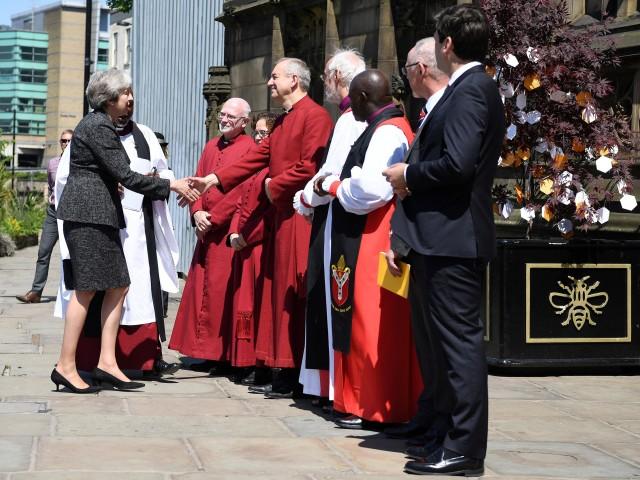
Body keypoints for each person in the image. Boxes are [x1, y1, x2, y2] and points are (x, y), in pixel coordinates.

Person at [383, 5, 505, 476]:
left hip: (455, 241)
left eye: (437, 39)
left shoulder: (473, 90)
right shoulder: (466, 88)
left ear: (447, 44)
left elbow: (459, 164)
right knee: (442, 348)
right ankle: (445, 439)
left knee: (459, 350)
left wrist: (407, 174)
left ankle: (463, 449)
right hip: (440, 239)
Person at [51, 68, 199, 394]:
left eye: (130, 92)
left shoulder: (100, 125)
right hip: (88, 218)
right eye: (124, 93)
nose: (130, 98)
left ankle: (106, 362)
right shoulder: (98, 126)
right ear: (108, 98)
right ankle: (65, 365)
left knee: (119, 285)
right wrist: (171, 184)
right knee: (87, 290)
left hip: (100, 216)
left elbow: (115, 175)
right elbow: (127, 175)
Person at [196, 58, 333, 398]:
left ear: (295, 80)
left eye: (275, 77)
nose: (269, 83)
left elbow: (311, 166)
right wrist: (213, 179)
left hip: (298, 217)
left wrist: (275, 186)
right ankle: (280, 369)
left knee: (292, 293)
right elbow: (256, 158)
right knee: (275, 294)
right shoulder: (285, 120)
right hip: (280, 218)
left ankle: (293, 373)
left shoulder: (315, 116)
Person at [313, 69, 422, 429]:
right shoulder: (391, 125)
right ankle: (365, 401)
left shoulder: (386, 131)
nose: (350, 109)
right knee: (366, 319)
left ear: (361, 98)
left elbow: (371, 191)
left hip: (373, 234)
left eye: (353, 101)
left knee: (370, 322)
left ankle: (374, 405)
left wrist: (332, 185)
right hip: (371, 233)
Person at [383, 37, 450, 443]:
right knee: (426, 341)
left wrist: (405, 176)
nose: (404, 76)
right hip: (418, 238)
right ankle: (429, 416)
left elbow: (450, 168)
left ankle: (445, 426)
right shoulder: (428, 111)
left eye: (407, 68)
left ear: (420, 69)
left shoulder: (450, 105)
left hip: (441, 239)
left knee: (443, 345)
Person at [293, 48, 367, 402]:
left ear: (338, 78)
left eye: (326, 76)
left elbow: (329, 175)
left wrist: (304, 199)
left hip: (338, 219)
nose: (325, 83)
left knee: (330, 300)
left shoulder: (349, 119)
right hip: (358, 220)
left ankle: (330, 387)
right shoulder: (368, 119)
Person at [169, 98, 255, 367]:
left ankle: (221, 354)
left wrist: (214, 218)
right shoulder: (210, 146)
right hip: (205, 231)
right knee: (200, 293)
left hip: (226, 232)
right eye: (223, 114)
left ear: (244, 122)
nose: (224, 119)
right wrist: (196, 213)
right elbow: (196, 180)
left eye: (231, 116)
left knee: (221, 294)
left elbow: (243, 191)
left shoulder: (250, 148)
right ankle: (203, 351)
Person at [226, 111, 277, 385]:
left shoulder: (273, 167)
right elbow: (240, 204)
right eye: (256, 133)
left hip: (258, 245)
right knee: (241, 304)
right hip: (243, 244)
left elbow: (269, 212)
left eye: (264, 133)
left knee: (256, 305)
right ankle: (242, 361)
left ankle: (257, 363)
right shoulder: (253, 165)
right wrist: (234, 231)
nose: (259, 137)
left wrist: (247, 235)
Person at [16, 129, 73, 304]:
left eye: (70, 141)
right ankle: (36, 291)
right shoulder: (53, 163)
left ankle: (76, 294)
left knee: (72, 254)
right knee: (43, 251)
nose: (66, 144)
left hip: (72, 214)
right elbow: (51, 184)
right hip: (53, 212)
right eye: (63, 141)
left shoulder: (79, 164)